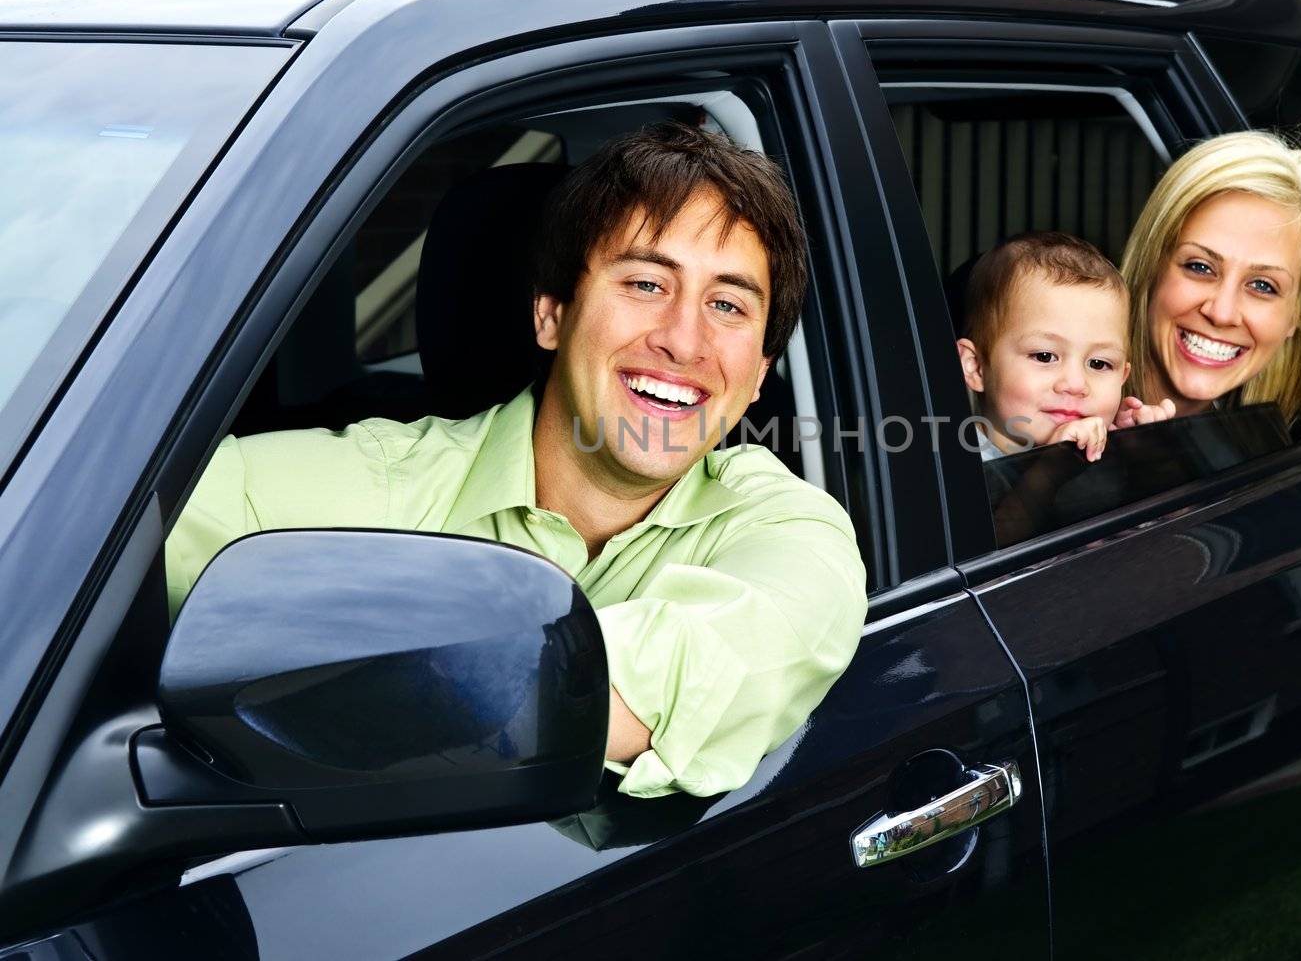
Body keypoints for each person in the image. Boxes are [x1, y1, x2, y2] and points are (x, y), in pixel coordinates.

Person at [165, 122, 869, 799]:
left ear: (757, 372)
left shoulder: (793, 533)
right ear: (552, 314)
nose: (685, 341)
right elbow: (92, 541)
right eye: (646, 284)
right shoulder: (379, 481)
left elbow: (625, 682)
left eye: (727, 303)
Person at [1119, 130, 1301, 486]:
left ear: (1297, 316)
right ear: (1153, 265)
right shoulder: (1047, 407)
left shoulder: (1266, 461)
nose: (1221, 313)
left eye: (1262, 286)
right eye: (1200, 267)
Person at [955, 232, 1173, 464]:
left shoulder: (1100, 449)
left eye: (1099, 364)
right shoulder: (953, 465)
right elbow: (1008, 502)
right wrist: (1050, 470)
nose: (1076, 385)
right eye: (1045, 356)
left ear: (1123, 376)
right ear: (976, 367)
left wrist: (1137, 454)